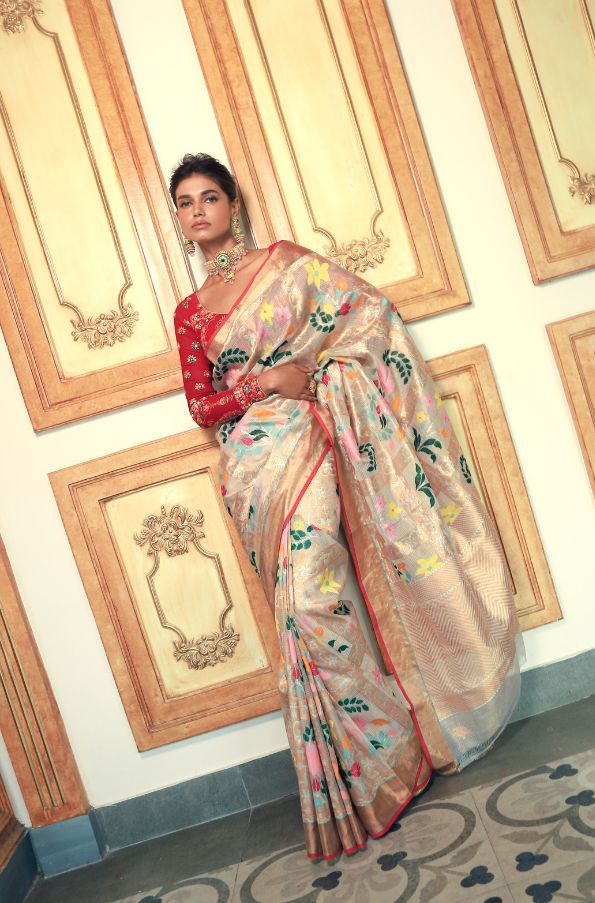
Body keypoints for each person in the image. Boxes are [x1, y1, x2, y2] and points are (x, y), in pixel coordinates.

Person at [171, 153, 522, 861]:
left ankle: (391, 751)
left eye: (210, 197)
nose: (199, 211)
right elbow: (202, 406)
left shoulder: (289, 266)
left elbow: (371, 316)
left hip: (312, 441)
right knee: (298, 617)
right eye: (185, 202)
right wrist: (264, 383)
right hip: (252, 471)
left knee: (313, 602)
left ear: (234, 205)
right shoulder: (189, 313)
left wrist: (315, 376)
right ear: (179, 220)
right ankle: (369, 770)